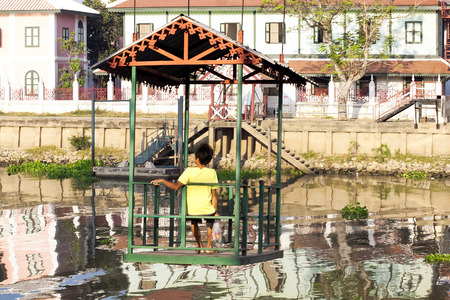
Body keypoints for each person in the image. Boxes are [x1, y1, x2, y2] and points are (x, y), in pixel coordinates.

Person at [150, 143, 219, 254]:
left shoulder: (189, 171)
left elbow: (176, 186)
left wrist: (163, 180)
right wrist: (215, 211)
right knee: (210, 222)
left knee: (194, 223)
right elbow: (214, 195)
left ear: (197, 158)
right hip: (207, 208)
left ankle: (200, 246)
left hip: (193, 209)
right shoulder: (212, 173)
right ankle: (209, 246)